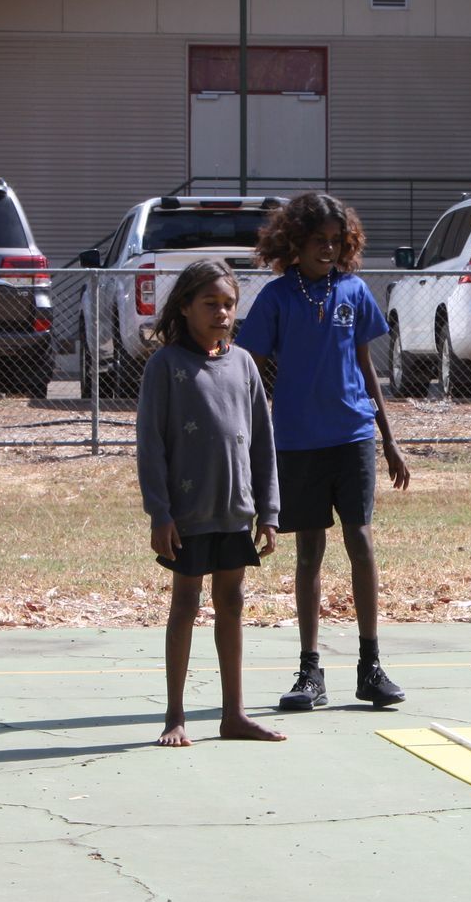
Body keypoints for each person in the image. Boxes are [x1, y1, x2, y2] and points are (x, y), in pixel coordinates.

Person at [237, 191, 410, 711]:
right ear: (295, 242)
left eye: (337, 242)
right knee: (309, 551)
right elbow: (248, 369)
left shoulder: (354, 291)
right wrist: (248, 438)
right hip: (296, 442)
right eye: (319, 241)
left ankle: (370, 665)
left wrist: (389, 438)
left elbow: (366, 367)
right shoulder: (276, 297)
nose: (329, 250)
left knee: (361, 540)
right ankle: (310, 671)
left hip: (352, 436)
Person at [136, 257, 284, 747]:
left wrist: (269, 511)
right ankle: (175, 714)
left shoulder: (243, 363)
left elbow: (261, 441)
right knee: (185, 604)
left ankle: (233, 715)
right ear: (185, 306)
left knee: (232, 603)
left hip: (235, 511)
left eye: (229, 304)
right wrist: (160, 512)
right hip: (187, 513)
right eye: (210, 304)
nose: (222, 313)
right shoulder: (165, 367)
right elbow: (151, 444)